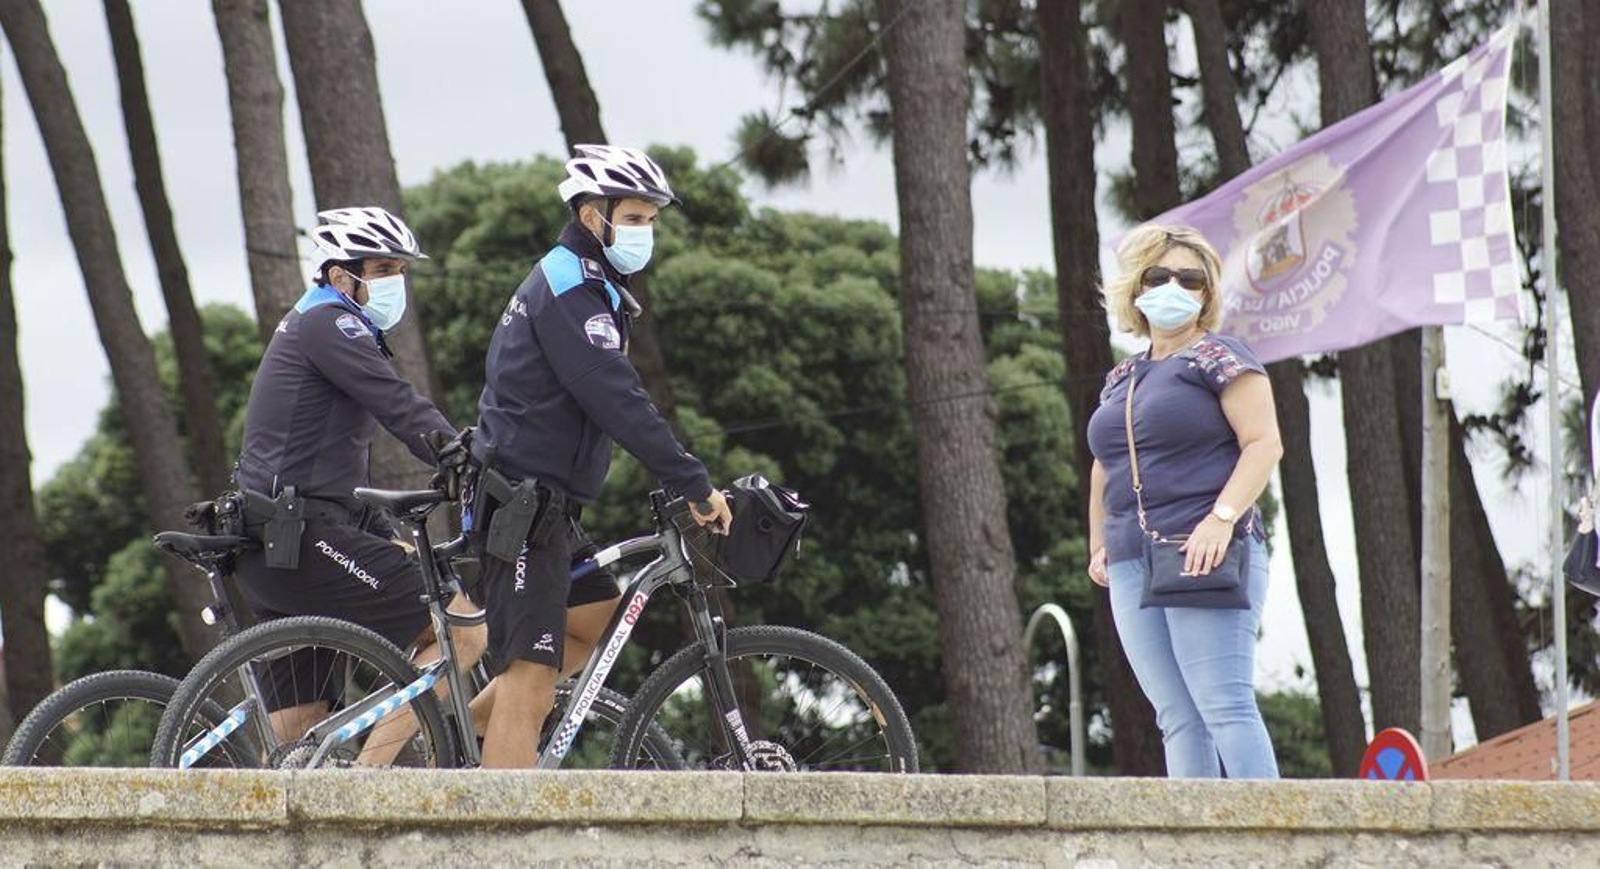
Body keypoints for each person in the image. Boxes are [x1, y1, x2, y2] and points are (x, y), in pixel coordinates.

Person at [469, 145, 732, 769]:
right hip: (522, 505)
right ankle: (501, 834)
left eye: (651, 221)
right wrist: (691, 480)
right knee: (532, 673)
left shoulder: (592, 283)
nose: (646, 233)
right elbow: (614, 394)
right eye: (636, 218)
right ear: (594, 216)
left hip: (550, 505)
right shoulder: (569, 285)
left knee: (591, 620)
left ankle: (445, 728)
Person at [233, 206, 485, 759]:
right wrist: (458, 453)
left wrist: (381, 530)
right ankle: (370, 782)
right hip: (298, 540)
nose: (395, 281)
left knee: (296, 740)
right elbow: (394, 401)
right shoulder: (331, 322)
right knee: (462, 629)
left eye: (399, 269)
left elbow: (328, 468)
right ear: (338, 273)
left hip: (281, 541)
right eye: (381, 268)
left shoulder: (313, 324)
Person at [1084, 224, 1284, 779]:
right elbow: (1105, 462)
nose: (1174, 286)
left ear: (1207, 294)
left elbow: (1264, 443)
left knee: (1223, 705)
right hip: (1129, 562)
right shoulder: (1122, 376)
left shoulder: (1220, 357)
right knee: (1176, 716)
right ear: (1136, 286)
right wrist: (1100, 543)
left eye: (1190, 279)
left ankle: (1277, 843)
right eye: (1159, 275)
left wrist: (1221, 520)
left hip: (1202, 549)